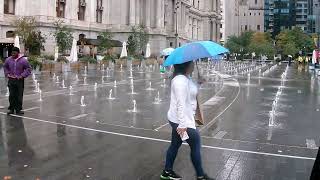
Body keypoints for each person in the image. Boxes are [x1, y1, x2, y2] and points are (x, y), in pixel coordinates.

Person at [160, 61, 214, 180]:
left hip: (183, 119)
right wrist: (182, 126)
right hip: (180, 121)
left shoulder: (186, 78)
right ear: (186, 66)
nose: (194, 65)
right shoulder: (179, 81)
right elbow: (180, 104)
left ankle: (166, 172)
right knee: (195, 141)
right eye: (192, 64)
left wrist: (199, 83)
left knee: (175, 144)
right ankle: (200, 176)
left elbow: (190, 94)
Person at [3, 47, 31, 115]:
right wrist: (7, 74)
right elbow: (5, 67)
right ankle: (11, 109)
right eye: (12, 53)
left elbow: (28, 68)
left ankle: (18, 109)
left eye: (14, 53)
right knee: (12, 95)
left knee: (19, 95)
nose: (12, 54)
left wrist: (22, 75)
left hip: (19, 80)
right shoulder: (8, 60)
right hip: (11, 80)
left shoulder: (23, 60)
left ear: (18, 53)